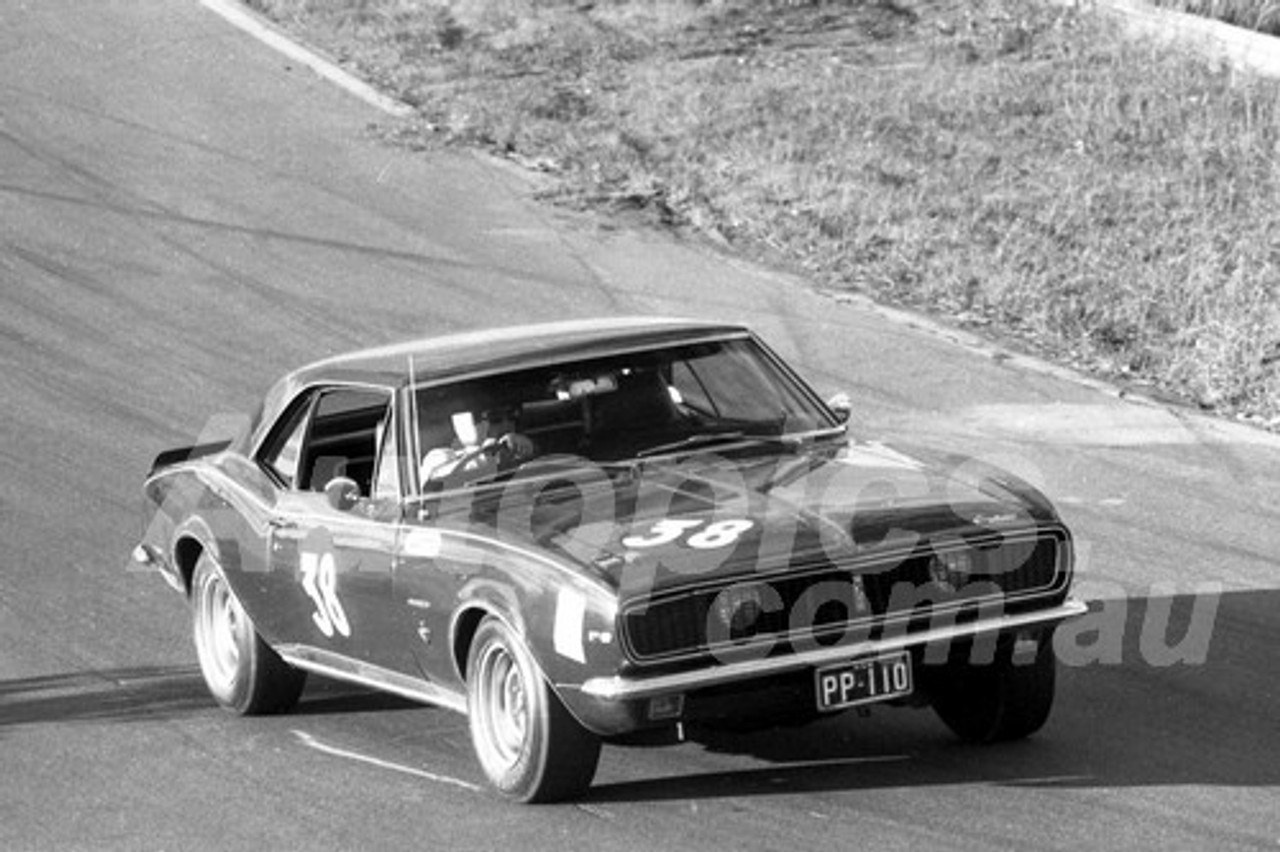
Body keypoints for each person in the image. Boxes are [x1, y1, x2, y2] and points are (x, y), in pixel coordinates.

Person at [419, 405, 535, 486]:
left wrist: (529, 451)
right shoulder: (440, 457)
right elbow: (441, 478)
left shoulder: (522, 453)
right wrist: (490, 453)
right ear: (472, 424)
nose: (506, 423)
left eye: (511, 415)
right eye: (494, 418)